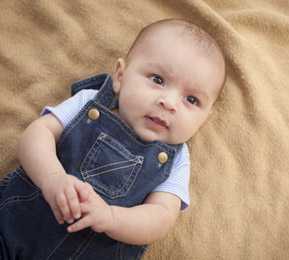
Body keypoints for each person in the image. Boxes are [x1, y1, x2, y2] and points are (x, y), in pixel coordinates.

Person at [0, 19, 226, 259]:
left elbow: (161, 216)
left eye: (191, 100)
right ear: (120, 76)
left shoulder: (178, 160)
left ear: (205, 117)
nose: (169, 103)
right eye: (157, 80)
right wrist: (52, 178)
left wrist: (111, 218)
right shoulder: (90, 102)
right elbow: (37, 133)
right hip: (14, 225)